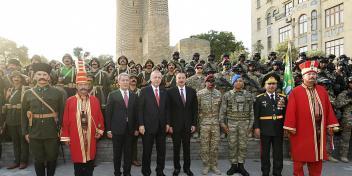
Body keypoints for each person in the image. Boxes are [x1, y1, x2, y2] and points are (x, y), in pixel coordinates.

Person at [284, 60, 340, 176]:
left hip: (319, 129)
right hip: (301, 130)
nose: (312, 76)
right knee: (299, 159)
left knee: (317, 158)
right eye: (309, 74)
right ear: (303, 76)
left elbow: (328, 108)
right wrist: (290, 126)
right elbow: (290, 111)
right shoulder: (296, 91)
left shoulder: (322, 90)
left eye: (314, 74)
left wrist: (332, 123)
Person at [60, 60, 105, 176]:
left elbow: (100, 117)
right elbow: (65, 120)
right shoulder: (70, 101)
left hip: (91, 135)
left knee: (90, 164)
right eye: (81, 85)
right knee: (78, 165)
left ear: (89, 86)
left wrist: (100, 131)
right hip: (76, 135)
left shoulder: (95, 100)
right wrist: (66, 136)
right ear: (76, 86)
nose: (83, 87)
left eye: (86, 84)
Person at [21, 63, 64, 176]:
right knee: (38, 159)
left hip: (52, 131)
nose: (42, 77)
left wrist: (62, 129)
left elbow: (62, 112)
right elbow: (23, 114)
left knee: (52, 158)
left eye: (45, 74)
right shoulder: (27, 93)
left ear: (49, 77)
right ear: (34, 76)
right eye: (39, 74)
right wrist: (25, 132)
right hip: (34, 131)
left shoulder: (58, 92)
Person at [253, 73, 287, 176]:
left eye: (274, 83)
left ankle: (277, 172)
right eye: (269, 84)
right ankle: (265, 172)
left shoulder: (283, 97)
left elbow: (286, 114)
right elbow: (256, 115)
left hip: (278, 129)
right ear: (265, 85)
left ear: (276, 85)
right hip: (265, 129)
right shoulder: (259, 99)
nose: (271, 86)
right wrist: (257, 128)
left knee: (278, 153)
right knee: (265, 153)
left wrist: (286, 128)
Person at [106, 73, 139, 176]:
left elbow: (136, 113)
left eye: (127, 80)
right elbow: (108, 113)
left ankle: (127, 172)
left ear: (129, 82)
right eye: (123, 80)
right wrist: (109, 129)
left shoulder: (134, 96)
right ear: (119, 82)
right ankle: (117, 172)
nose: (125, 82)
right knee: (117, 153)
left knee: (128, 153)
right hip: (116, 129)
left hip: (130, 129)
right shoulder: (112, 95)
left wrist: (137, 128)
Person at [220, 74, 253, 176]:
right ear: (233, 83)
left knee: (243, 145)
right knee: (232, 145)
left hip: (244, 124)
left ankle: (241, 165)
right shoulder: (227, 95)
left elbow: (252, 111)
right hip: (232, 123)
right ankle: (233, 165)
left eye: (241, 81)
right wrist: (223, 124)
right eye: (237, 81)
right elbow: (222, 111)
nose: (239, 82)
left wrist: (251, 125)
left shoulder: (248, 95)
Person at [138, 70, 170, 176]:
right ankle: (146, 171)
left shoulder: (164, 91)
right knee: (147, 151)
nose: (157, 79)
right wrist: (141, 124)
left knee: (161, 152)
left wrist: (168, 123)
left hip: (161, 127)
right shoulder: (144, 91)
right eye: (155, 77)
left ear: (161, 79)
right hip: (147, 127)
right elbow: (140, 109)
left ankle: (160, 171)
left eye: (159, 77)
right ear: (151, 79)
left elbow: (167, 109)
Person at [167, 72, 198, 176]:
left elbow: (195, 110)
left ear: (186, 79)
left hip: (188, 125)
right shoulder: (170, 92)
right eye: (179, 78)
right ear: (176, 80)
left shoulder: (192, 91)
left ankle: (187, 168)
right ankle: (177, 168)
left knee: (187, 148)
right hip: (175, 126)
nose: (181, 79)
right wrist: (169, 125)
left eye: (183, 78)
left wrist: (194, 124)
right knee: (176, 148)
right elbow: (168, 110)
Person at [4, 71, 29, 169]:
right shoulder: (10, 89)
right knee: (15, 142)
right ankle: (16, 161)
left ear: (21, 79)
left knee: (23, 141)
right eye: (14, 77)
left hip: (21, 118)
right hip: (11, 118)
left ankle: (23, 161)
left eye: (18, 77)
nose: (16, 79)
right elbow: (5, 103)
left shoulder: (25, 89)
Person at [197, 75, 222, 175]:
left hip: (215, 123)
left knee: (215, 146)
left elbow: (221, 109)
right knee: (204, 146)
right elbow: (197, 109)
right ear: (205, 82)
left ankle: (214, 165)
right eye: (209, 81)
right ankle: (206, 165)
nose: (211, 83)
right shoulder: (200, 94)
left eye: (212, 81)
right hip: (204, 123)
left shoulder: (218, 93)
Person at [335, 76, 352, 163]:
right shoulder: (344, 94)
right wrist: (348, 100)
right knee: (345, 138)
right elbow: (337, 105)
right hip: (348, 119)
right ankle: (343, 156)